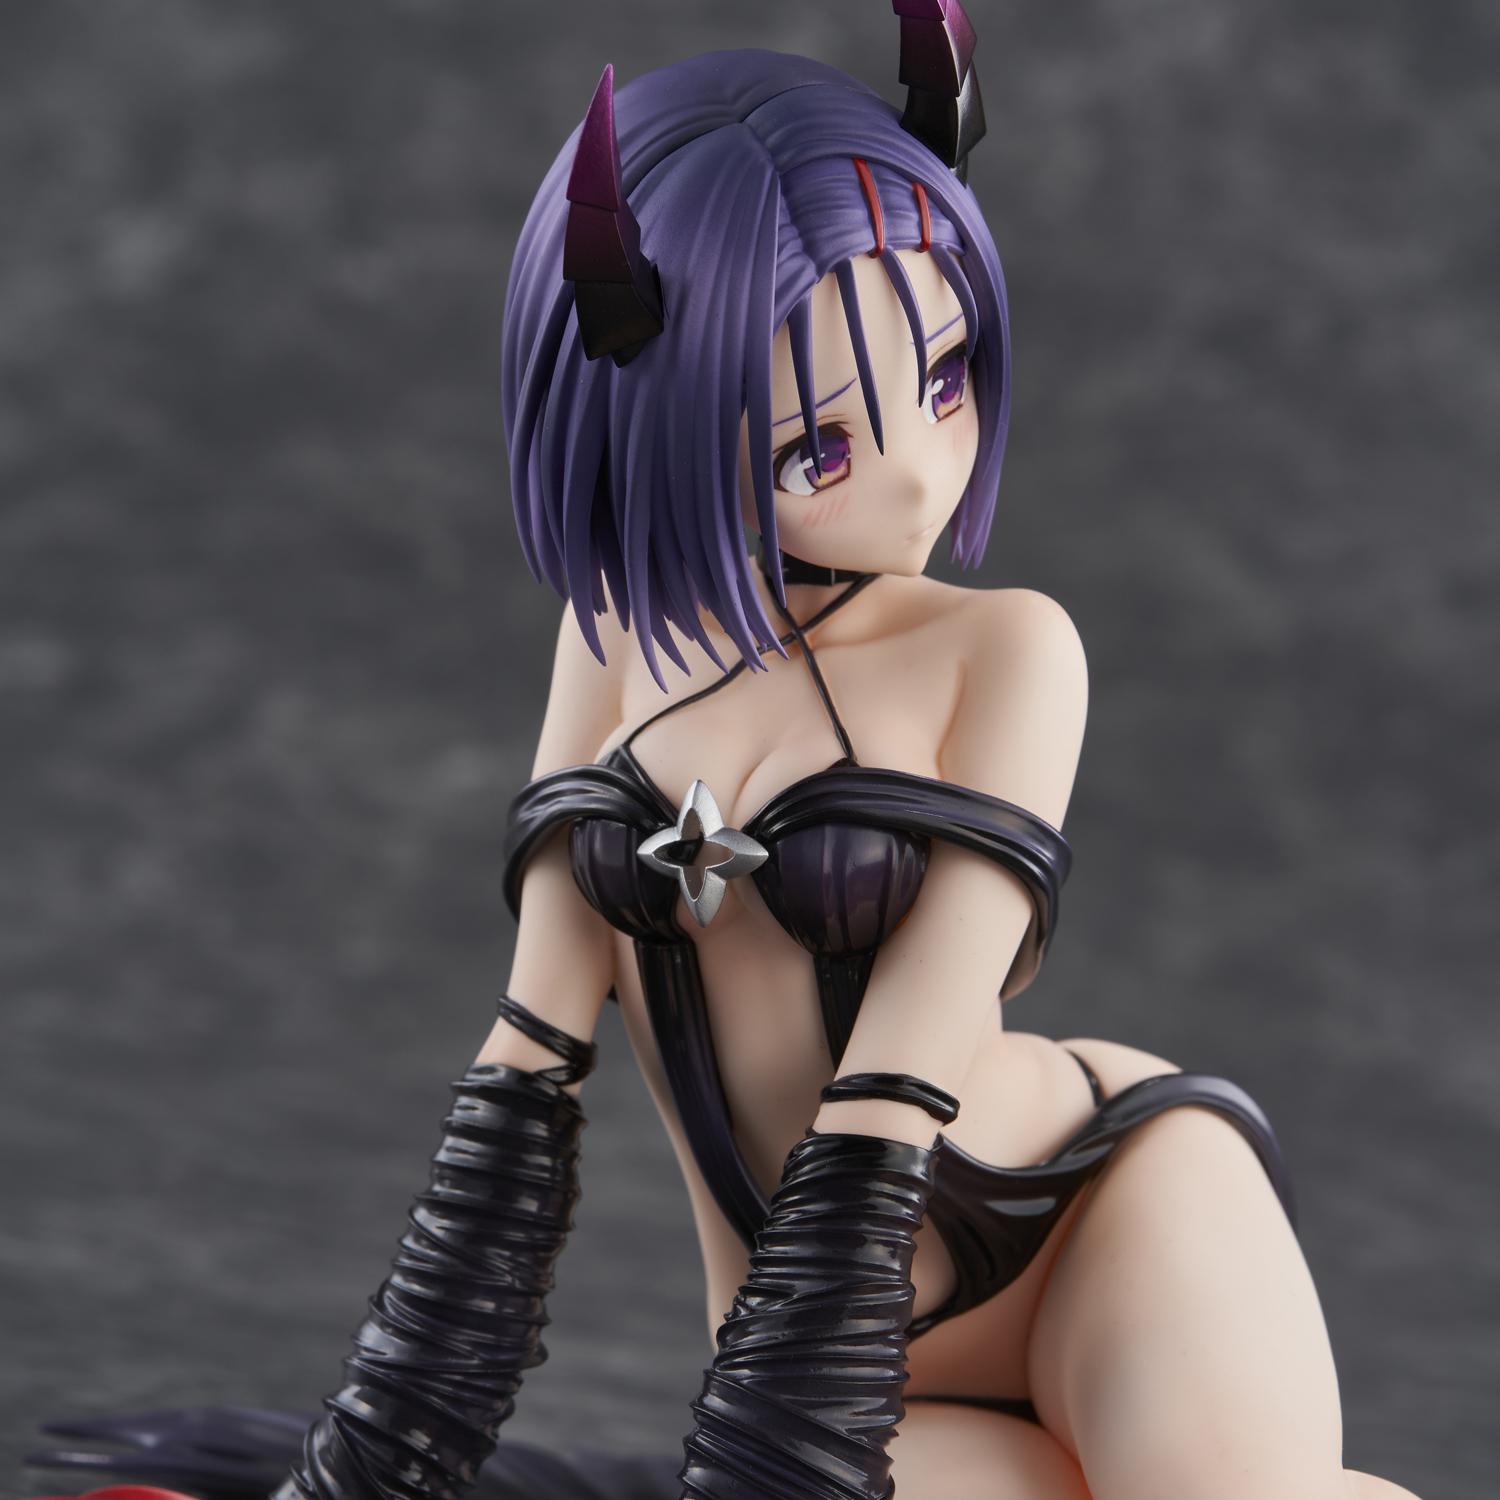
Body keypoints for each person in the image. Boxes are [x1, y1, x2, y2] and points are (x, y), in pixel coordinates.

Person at [29, 14, 1421, 1500]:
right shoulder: (609, 641)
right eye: (819, 446)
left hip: (1090, 1221)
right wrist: (366, 1469)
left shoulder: (1009, 652)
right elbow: (523, 1079)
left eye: (948, 376)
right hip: (839, 1354)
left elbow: (897, 1083)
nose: (917, 478)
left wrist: (768, 1448)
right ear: (655, 416)